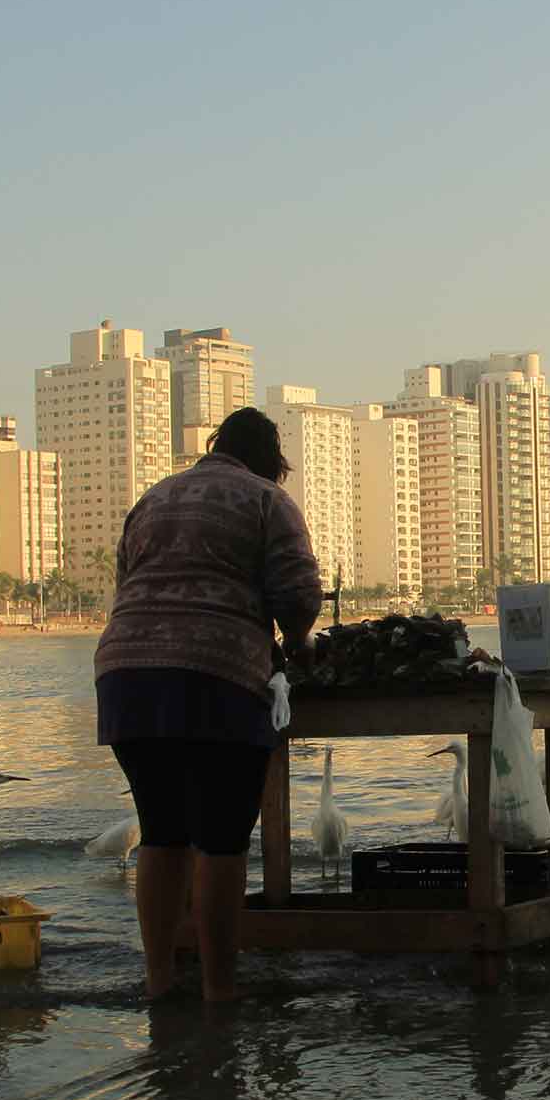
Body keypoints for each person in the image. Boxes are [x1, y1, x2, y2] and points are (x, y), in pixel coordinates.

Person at [96, 407, 324, 1002]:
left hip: (128, 677)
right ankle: (220, 993)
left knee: (162, 831)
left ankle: (159, 982)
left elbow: (127, 582)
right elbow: (299, 595)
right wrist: (298, 643)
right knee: (222, 839)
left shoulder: (155, 496)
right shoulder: (266, 500)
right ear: (271, 461)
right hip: (216, 678)